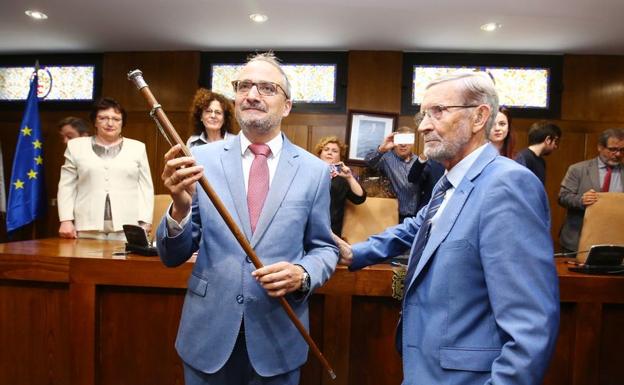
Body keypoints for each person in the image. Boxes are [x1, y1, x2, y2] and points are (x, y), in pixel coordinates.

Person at [333, 72, 559, 385]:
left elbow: (530, 325)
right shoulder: (451, 181)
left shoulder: (507, 183)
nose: (424, 125)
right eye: (423, 114)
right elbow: (416, 227)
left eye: (438, 111)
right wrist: (353, 252)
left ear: (479, 116)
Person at [156, 52, 338, 385]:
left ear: (287, 106)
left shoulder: (314, 171)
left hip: (278, 337)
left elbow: (325, 249)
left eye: (267, 88)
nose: (252, 94)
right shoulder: (199, 159)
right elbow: (172, 256)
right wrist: (179, 208)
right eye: (244, 86)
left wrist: (302, 273)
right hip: (207, 337)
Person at [57, 97, 154, 240]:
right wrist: (66, 220)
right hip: (87, 225)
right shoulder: (76, 146)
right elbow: (67, 186)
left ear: (122, 123)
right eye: (103, 118)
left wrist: (146, 220)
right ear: (95, 121)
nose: (110, 123)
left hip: (127, 226)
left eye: (116, 119)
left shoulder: (137, 148)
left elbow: (145, 187)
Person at [558, 128, 624, 253]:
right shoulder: (578, 169)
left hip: (615, 239)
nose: (618, 154)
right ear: (600, 147)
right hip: (578, 238)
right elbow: (563, 197)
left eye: (622, 150)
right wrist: (581, 200)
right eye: (612, 149)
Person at [314, 136, 366, 237]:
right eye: (326, 150)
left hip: (330, 232)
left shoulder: (343, 178)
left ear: (340, 157)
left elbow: (360, 198)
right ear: (320, 154)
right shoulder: (309, 171)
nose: (330, 153)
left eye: (334, 151)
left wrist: (350, 177)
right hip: (305, 228)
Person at [365, 126, 419, 223]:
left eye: (407, 140)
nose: (403, 144)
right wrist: (382, 149)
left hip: (417, 217)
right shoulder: (386, 158)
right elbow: (369, 162)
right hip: (392, 216)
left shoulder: (419, 161)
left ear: (412, 142)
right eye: (400, 140)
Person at [407, 112, 444, 213]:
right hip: (428, 212)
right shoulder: (429, 160)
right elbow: (412, 178)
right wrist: (423, 156)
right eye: (426, 133)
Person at [514, 120, 561, 184]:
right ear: (548, 140)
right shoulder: (523, 158)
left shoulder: (541, 161)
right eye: (555, 141)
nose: (555, 146)